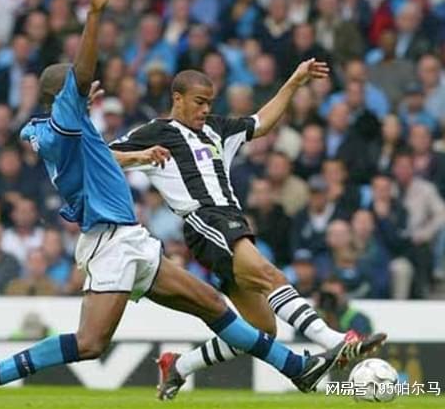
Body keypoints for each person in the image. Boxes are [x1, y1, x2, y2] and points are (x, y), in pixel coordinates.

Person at [0, 0, 350, 401]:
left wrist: (137, 155)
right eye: (80, 89)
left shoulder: (58, 130)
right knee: (90, 343)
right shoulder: (65, 120)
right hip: (110, 242)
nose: (88, 88)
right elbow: (81, 74)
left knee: (213, 304)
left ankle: (296, 367)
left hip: (132, 238)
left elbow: (97, 154)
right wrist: (95, 14)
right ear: (65, 95)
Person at [110, 56, 386, 398]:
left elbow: (261, 122)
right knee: (271, 275)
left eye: (210, 102)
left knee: (261, 329)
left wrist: (294, 82)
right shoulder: (155, 133)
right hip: (205, 220)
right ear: (177, 98)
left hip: (231, 221)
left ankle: (179, 366)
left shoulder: (217, 128)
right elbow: (102, 156)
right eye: (199, 102)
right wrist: (138, 157)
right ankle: (335, 341)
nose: (205, 109)